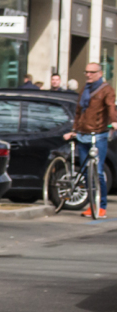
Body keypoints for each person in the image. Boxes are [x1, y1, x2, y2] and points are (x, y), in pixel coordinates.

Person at [63, 62, 117, 218]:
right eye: (86, 71)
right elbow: (79, 112)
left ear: (99, 73)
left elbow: (110, 106)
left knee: (98, 171)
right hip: (82, 134)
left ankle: (102, 206)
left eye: (92, 72)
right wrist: (74, 130)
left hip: (98, 134)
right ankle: (92, 205)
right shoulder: (84, 90)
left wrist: (114, 121)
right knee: (87, 172)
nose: (88, 74)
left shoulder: (106, 89)